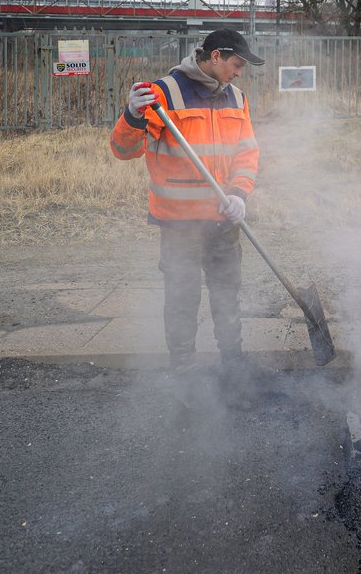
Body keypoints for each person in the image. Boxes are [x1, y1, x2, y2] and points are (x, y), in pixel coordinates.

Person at [109, 28, 264, 370]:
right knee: (182, 296)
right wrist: (132, 115)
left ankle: (233, 362)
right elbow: (124, 151)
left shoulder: (236, 98)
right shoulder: (163, 93)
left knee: (227, 292)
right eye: (236, 64)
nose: (239, 73)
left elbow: (246, 153)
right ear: (215, 56)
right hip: (180, 222)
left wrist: (239, 194)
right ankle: (183, 369)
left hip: (224, 219)